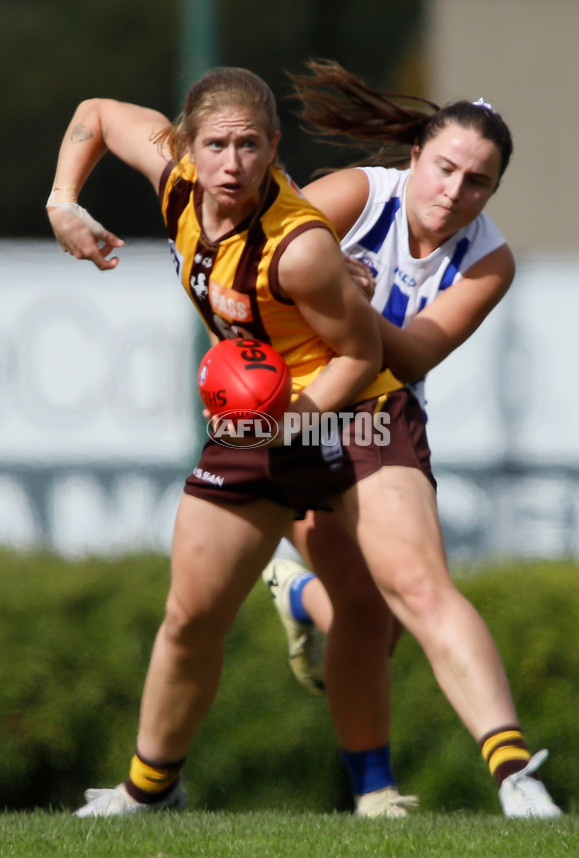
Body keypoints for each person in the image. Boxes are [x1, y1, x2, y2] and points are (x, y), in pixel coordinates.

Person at [46, 66, 415, 818]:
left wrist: (291, 420)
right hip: (258, 411)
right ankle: (150, 791)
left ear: (274, 148)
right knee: (191, 616)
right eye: (216, 144)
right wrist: (63, 202)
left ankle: (379, 795)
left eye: (251, 145)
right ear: (187, 145)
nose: (232, 163)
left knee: (383, 612)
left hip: (347, 412)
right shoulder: (178, 177)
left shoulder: (301, 245)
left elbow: (362, 358)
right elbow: (96, 108)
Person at [260, 60, 562, 818]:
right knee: (371, 613)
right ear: (416, 157)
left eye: (477, 182)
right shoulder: (362, 194)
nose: (453, 193)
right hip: (292, 407)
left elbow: (416, 352)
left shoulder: (489, 261)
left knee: (388, 612)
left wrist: (352, 309)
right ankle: (388, 785)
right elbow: (262, 263)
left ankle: (501, 778)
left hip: (379, 415)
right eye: (445, 168)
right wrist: (325, 283)